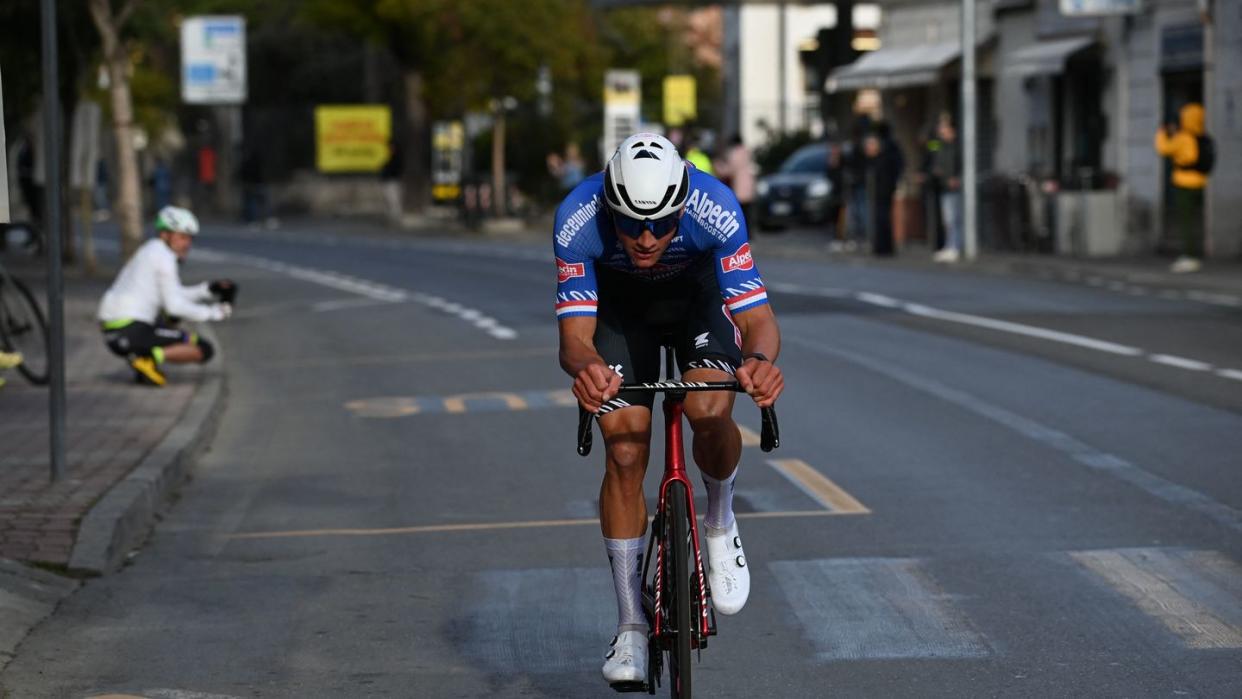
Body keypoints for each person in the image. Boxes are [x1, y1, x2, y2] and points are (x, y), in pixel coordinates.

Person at [554, 133, 783, 687]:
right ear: (611, 207)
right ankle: (631, 624)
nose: (647, 238)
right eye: (631, 224)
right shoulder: (577, 217)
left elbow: (757, 320)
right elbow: (575, 339)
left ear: (682, 205)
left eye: (661, 224)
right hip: (620, 309)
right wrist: (585, 368)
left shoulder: (717, 207)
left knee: (709, 411)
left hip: (696, 299)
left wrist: (758, 362)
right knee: (627, 452)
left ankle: (721, 517)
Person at [97, 206, 235, 387]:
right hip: (131, 328)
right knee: (204, 348)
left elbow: (172, 293)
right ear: (165, 235)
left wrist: (207, 289)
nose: (187, 244)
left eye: (189, 238)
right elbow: (174, 305)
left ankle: (144, 363)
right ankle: (147, 358)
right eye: (182, 237)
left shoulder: (150, 250)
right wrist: (215, 313)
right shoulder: (164, 258)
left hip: (114, 329)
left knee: (169, 319)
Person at [1154, 102, 1212, 273]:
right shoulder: (1202, 136)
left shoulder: (1184, 137)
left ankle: (1189, 256)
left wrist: (1161, 133)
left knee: (1185, 222)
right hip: (1200, 182)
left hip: (1184, 182)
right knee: (1194, 219)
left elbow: (1164, 149)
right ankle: (1195, 253)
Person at [866, 122, 904, 257]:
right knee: (882, 217)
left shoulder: (886, 149)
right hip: (884, 186)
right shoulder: (892, 147)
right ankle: (883, 246)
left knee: (881, 217)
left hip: (883, 187)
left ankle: (882, 246)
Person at [931, 114, 963, 262]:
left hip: (954, 187)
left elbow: (962, 164)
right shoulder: (938, 145)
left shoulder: (958, 146)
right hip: (943, 186)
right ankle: (948, 246)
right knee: (947, 219)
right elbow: (927, 146)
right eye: (940, 128)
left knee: (953, 218)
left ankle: (955, 247)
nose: (941, 131)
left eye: (944, 128)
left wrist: (957, 177)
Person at [713, 133, 756, 229]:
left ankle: (744, 233)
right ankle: (750, 232)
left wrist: (718, 166)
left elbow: (728, 171)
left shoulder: (734, 153)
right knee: (748, 212)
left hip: (739, 187)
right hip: (749, 186)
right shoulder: (747, 152)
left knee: (740, 213)